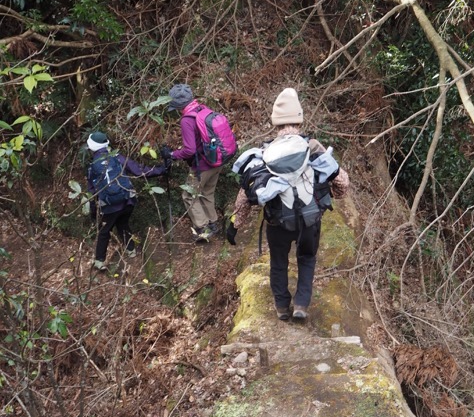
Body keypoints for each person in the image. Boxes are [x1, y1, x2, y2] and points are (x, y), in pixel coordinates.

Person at [226, 88, 349, 321]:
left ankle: (282, 307)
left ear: (276, 123)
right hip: (310, 220)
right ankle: (301, 304)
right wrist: (335, 192)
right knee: (307, 259)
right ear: (300, 119)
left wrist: (236, 223)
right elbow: (341, 181)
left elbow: (245, 193)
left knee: (279, 262)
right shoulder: (312, 147)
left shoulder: (265, 153)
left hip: (278, 222)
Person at [86, 131, 169, 271]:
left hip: (109, 206)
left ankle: (99, 262)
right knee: (123, 223)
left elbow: (92, 191)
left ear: (92, 147)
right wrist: (161, 170)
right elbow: (139, 171)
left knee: (104, 232)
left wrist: (93, 212)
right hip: (127, 201)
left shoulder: (92, 166)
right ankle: (131, 251)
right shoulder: (117, 157)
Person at [162, 83, 223, 244]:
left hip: (201, 166)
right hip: (217, 160)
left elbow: (189, 150)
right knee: (207, 193)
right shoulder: (203, 109)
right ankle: (213, 223)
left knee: (189, 195)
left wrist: (172, 154)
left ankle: (202, 229)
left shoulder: (187, 120)